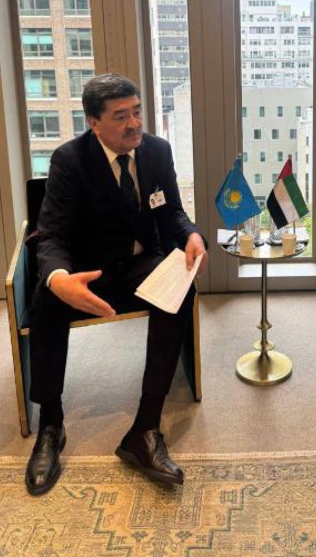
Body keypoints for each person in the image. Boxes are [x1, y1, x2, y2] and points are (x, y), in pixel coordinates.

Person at [25, 73, 208, 494]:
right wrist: (59, 278)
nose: (134, 124)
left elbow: (171, 212)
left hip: (140, 263)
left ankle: (144, 430)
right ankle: (51, 423)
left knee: (180, 288)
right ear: (94, 123)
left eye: (137, 112)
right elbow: (51, 235)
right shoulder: (70, 160)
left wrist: (191, 235)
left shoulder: (157, 151)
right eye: (121, 116)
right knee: (46, 299)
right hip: (87, 271)